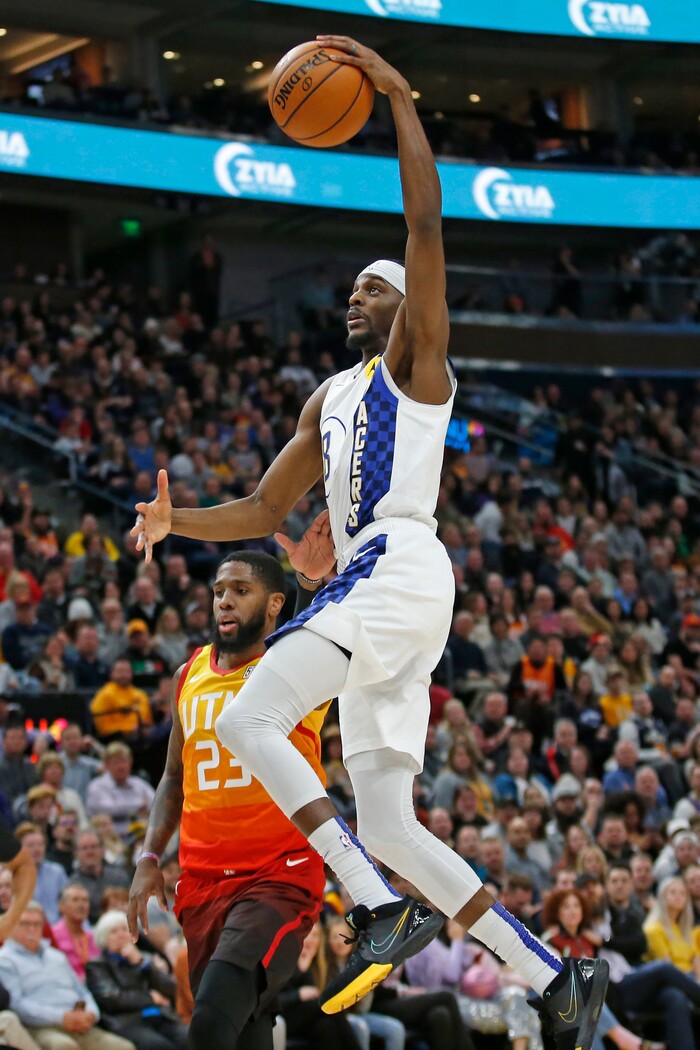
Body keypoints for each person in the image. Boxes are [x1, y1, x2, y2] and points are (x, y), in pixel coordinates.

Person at [132, 36, 608, 1050]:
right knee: (388, 821)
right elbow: (264, 508)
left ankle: (374, 904)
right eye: (351, 288)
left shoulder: (414, 367)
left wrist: (394, 97)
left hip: (398, 565)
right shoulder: (326, 398)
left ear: (405, 308)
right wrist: (177, 524)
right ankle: (554, 978)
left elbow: (424, 224)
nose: (356, 295)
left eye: (374, 287)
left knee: (250, 715)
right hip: (373, 589)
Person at [128, 528, 335, 1050]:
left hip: (277, 877)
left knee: (210, 1026)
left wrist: (311, 583)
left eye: (241, 591)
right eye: (219, 590)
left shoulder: (295, 667)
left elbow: (319, 629)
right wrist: (149, 856)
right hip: (202, 883)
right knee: (245, 1033)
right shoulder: (189, 674)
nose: (224, 600)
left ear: (274, 604)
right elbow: (173, 777)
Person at [0, 901, 135, 1050]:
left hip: (80, 1024)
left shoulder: (57, 956)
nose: (31, 929)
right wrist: (61, 1017)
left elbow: (82, 991)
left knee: (124, 1047)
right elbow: (16, 1004)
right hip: (41, 1028)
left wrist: (91, 1014)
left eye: (37, 924)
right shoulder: (5, 959)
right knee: (64, 1046)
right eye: (25, 924)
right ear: (11, 925)